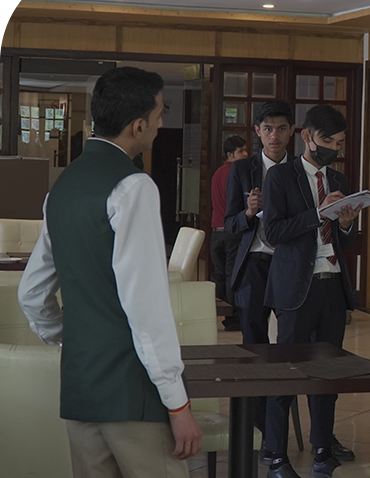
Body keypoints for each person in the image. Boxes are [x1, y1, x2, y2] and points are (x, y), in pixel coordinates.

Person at [17, 66, 202, 477]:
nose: (160, 122)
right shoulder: (134, 187)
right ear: (138, 125)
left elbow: (31, 293)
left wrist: (75, 337)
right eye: (159, 113)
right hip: (130, 389)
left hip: (81, 384)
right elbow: (146, 305)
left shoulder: (62, 187)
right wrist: (178, 402)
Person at [260, 105, 358, 478]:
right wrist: (319, 213)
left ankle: (322, 448)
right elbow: (275, 232)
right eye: (327, 141)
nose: (333, 147)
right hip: (294, 289)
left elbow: (345, 240)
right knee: (286, 371)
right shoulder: (281, 178)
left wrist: (346, 224)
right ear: (306, 137)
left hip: (332, 284)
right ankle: (275, 453)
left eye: (339, 142)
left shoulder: (341, 180)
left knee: (326, 373)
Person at [225, 100, 294, 451]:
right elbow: (229, 224)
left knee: (287, 348)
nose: (274, 136)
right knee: (253, 347)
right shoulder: (242, 170)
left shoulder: (299, 170)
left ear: (292, 132)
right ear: (257, 132)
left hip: (287, 265)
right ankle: (256, 430)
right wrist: (249, 213)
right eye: (268, 129)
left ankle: (277, 430)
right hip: (253, 263)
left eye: (281, 128)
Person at [211, 135, 249, 331]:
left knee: (219, 275)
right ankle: (233, 319)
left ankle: (211, 315)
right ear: (229, 154)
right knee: (232, 275)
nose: (246, 154)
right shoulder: (236, 173)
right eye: (241, 151)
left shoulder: (217, 173)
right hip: (232, 232)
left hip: (216, 233)